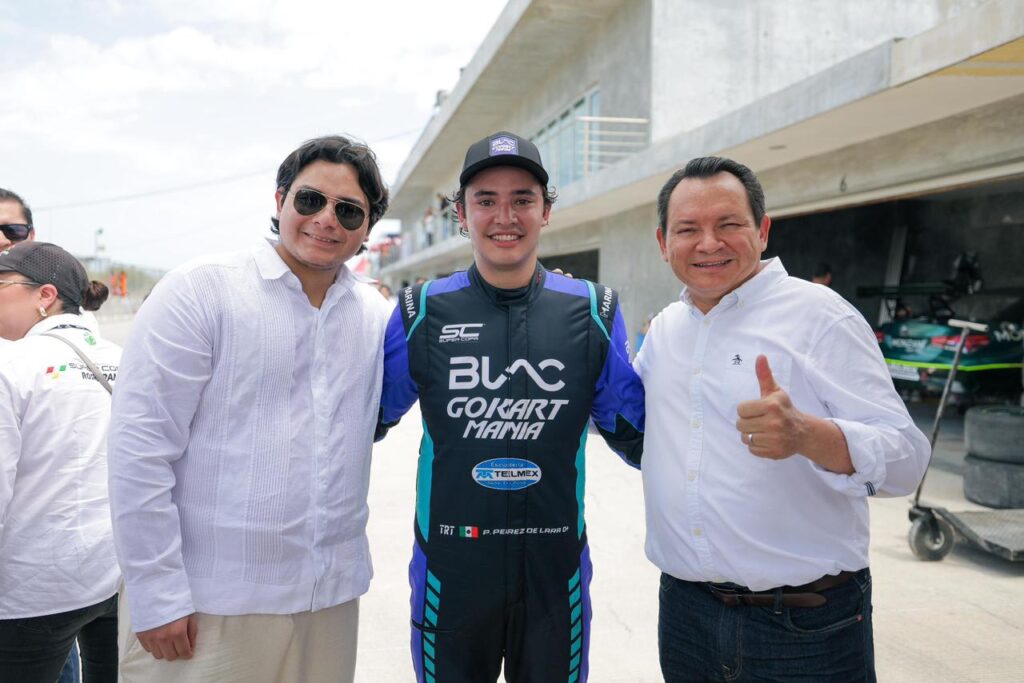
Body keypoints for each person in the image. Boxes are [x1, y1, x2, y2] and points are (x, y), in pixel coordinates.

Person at [107, 135, 391, 683]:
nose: (326, 220)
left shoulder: (372, 317)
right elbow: (139, 451)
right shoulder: (201, 291)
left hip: (329, 601)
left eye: (349, 210)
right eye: (310, 200)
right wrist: (155, 591)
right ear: (281, 198)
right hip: (208, 607)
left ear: (366, 228)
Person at [635, 156, 930, 682]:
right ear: (663, 243)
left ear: (763, 230)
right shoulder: (665, 331)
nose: (708, 243)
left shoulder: (821, 317)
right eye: (688, 229)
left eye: (728, 224)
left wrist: (811, 436)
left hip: (804, 627)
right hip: (686, 617)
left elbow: (908, 460)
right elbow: (620, 415)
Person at [377, 131, 645, 683]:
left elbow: (637, 436)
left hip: (555, 577)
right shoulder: (419, 310)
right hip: (450, 574)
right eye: (485, 200)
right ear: (460, 213)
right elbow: (360, 421)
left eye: (523, 199)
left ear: (547, 210)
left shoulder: (595, 309)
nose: (505, 215)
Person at [0, 242, 120, 682]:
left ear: (44, 296)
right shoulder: (120, 359)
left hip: (32, 589)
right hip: (113, 574)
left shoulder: (10, 363)